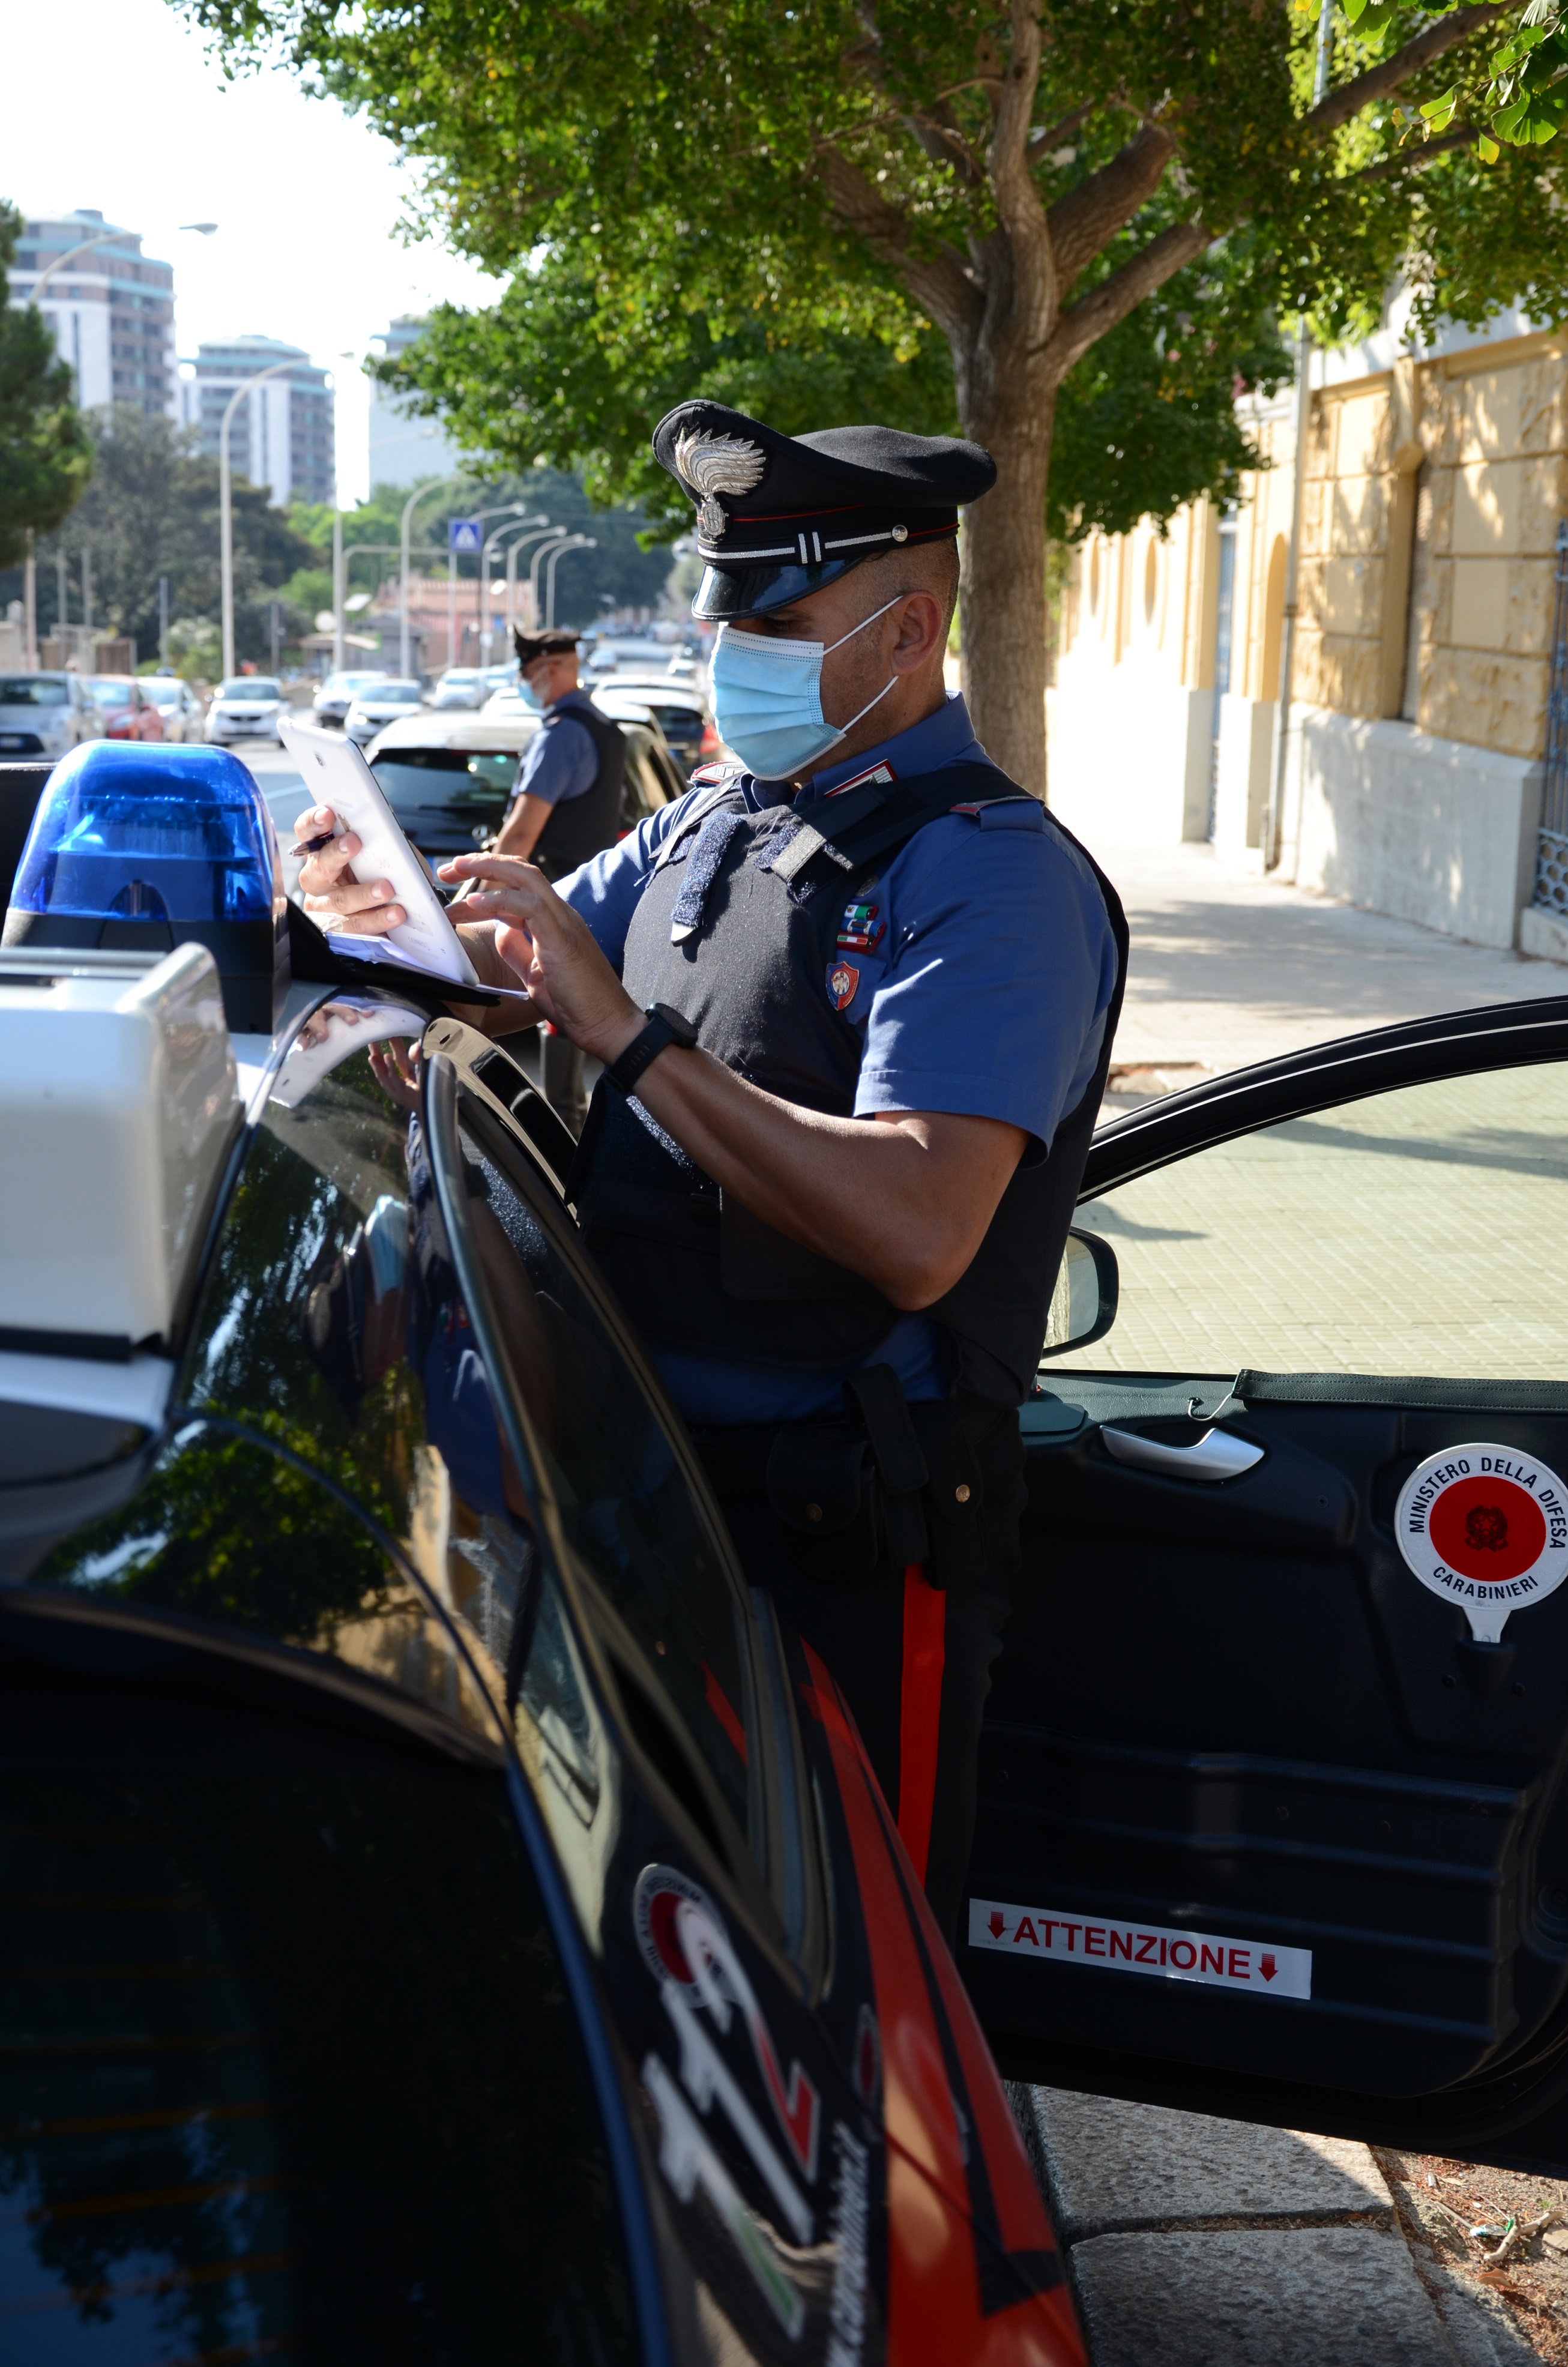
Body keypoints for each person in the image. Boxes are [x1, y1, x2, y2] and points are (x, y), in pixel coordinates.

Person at [295, 400, 1127, 1943]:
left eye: (777, 623)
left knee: (852, 1955)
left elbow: (918, 1226)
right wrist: (360, 912)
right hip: (646, 1496)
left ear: (909, 632)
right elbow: (508, 966)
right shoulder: (717, 821)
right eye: (725, 617)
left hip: (842, 1545)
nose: (732, 651)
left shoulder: (991, 874)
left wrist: (625, 1036)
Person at [492, 627, 626, 1132]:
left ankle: (563, 1126)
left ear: (551, 669)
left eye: (529, 674)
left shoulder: (561, 734)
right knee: (570, 1006)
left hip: (547, 896)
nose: (527, 684)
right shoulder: (603, 726)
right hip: (589, 893)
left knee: (553, 1004)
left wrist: (480, 894)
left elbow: (521, 833)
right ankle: (572, 1119)